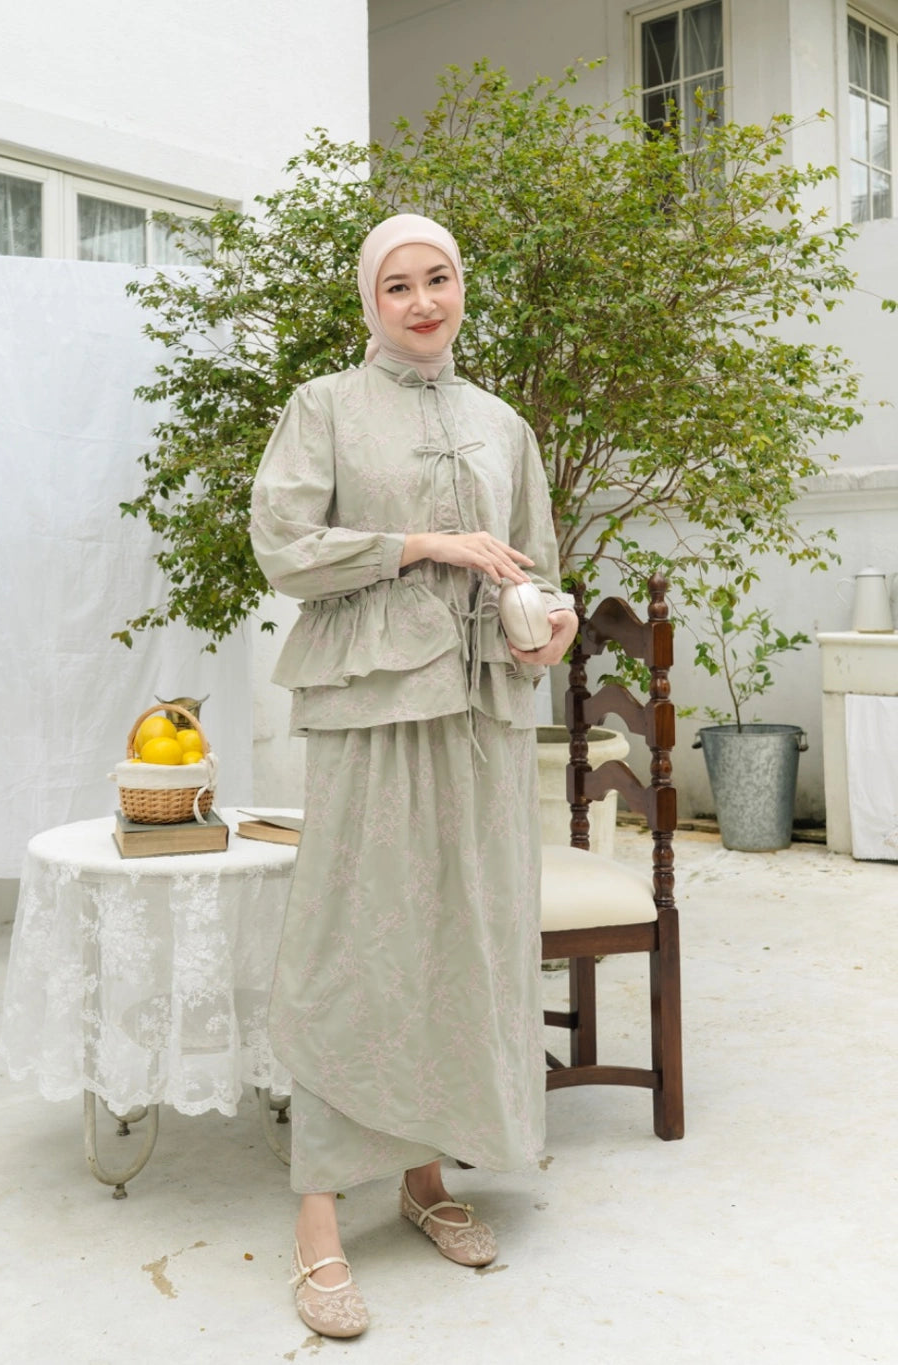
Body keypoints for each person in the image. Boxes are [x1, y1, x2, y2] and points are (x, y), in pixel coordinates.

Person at [249, 213, 579, 1338]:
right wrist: (422, 545)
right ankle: (318, 1218)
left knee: (460, 937)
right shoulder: (325, 408)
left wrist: (550, 634)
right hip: (374, 706)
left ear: (460, 287)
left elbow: (540, 565)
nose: (423, 300)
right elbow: (284, 545)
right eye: (399, 285)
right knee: (356, 940)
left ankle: (428, 1177)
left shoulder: (502, 425)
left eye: (438, 279)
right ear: (368, 300)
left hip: (481, 711)